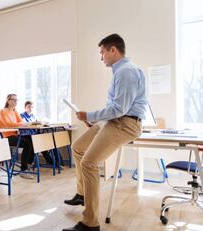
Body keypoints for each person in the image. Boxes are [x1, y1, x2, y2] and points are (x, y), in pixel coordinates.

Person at [62, 34, 147, 231]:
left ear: (113, 50)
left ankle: (90, 223)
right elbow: (116, 108)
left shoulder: (126, 71)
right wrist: (95, 120)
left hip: (125, 123)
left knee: (89, 162)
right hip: (114, 120)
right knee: (78, 147)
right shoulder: (120, 72)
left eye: (102, 52)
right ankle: (83, 194)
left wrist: (89, 114)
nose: (101, 57)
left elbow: (120, 109)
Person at [0, 94, 35, 179]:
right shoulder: (3, 111)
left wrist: (23, 124)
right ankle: (23, 170)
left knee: (33, 139)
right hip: (8, 137)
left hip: (16, 135)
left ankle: (28, 164)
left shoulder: (15, 112)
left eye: (16, 100)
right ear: (8, 101)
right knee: (27, 143)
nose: (15, 102)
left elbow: (21, 122)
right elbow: (8, 124)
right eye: (13, 100)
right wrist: (22, 124)